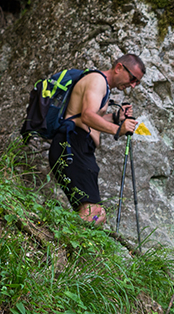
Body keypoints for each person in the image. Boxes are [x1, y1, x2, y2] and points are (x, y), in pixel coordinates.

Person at [48, 54, 144, 225]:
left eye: (137, 82)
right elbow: (87, 116)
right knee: (94, 212)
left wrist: (115, 118)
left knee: (95, 213)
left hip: (80, 148)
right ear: (119, 68)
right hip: (72, 146)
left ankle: (69, 245)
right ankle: (63, 245)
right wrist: (118, 130)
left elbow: (86, 116)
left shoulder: (102, 86)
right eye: (132, 78)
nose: (133, 85)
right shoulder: (97, 81)